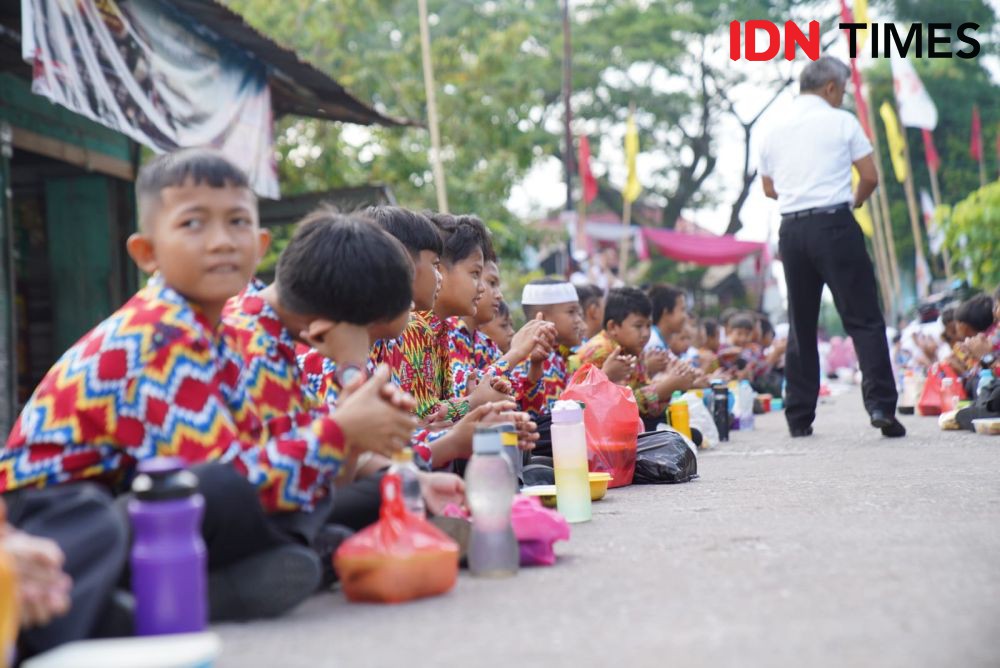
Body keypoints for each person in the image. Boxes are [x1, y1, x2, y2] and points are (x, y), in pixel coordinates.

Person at [1, 149, 306, 640]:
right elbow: (228, 473)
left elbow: (249, 448)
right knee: (219, 494)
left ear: (260, 243)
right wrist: (340, 437)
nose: (221, 242)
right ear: (147, 253)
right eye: (193, 224)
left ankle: (140, 605)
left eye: (237, 222)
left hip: (127, 499)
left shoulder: (220, 332)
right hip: (51, 515)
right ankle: (86, 619)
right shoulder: (159, 331)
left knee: (286, 518)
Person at [759, 55, 904, 438]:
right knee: (864, 319)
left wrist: (800, 193)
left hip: (791, 231)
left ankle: (799, 417)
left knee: (801, 324)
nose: (842, 97)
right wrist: (852, 200)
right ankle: (880, 407)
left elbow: (769, 188)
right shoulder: (842, 122)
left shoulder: (773, 128)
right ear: (830, 88)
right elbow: (870, 177)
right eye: (841, 90)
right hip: (836, 225)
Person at [574, 287, 697, 430]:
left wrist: (673, 378)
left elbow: (644, 404)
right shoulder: (601, 352)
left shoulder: (633, 348)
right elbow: (623, 407)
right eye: (638, 326)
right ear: (613, 326)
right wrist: (669, 385)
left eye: (648, 326)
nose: (645, 333)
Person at [646, 284, 687, 353]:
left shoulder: (660, 341)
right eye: (682, 309)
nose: (685, 316)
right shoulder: (653, 344)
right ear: (666, 312)